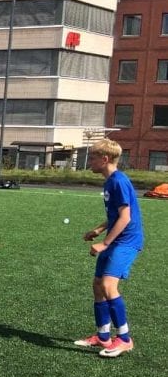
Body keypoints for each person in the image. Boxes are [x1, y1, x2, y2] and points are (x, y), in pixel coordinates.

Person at [74, 138, 143, 358]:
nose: (89, 162)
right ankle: (103, 335)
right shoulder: (110, 181)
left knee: (107, 284)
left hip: (126, 241)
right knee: (97, 285)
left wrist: (104, 243)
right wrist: (98, 229)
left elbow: (125, 216)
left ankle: (124, 339)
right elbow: (114, 215)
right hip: (115, 238)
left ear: (105, 159)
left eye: (92, 158)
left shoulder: (118, 181)